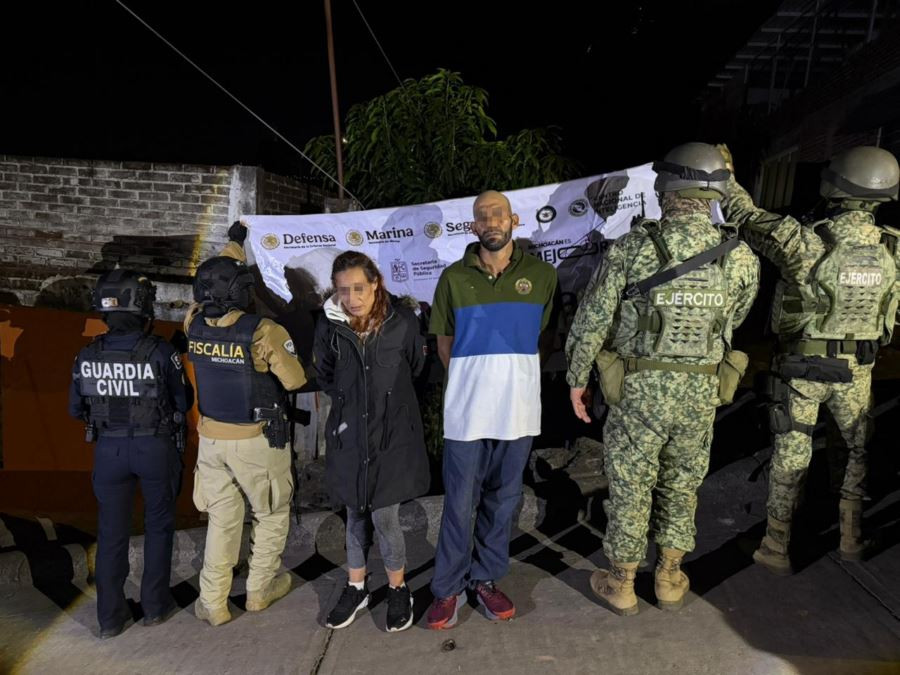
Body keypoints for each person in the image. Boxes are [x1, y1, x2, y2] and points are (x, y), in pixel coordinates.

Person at [566, 142, 759, 615]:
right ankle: (670, 577)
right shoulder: (740, 256)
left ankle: (622, 582)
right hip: (701, 392)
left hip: (638, 391)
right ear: (715, 192)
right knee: (682, 483)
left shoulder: (632, 247)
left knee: (631, 484)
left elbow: (592, 319)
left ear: (666, 188)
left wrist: (577, 377)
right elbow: (734, 319)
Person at [719, 144, 900, 574]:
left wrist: (725, 176)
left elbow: (744, 216)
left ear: (833, 186)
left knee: (792, 448)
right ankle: (851, 537)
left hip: (801, 368)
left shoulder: (801, 240)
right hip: (858, 370)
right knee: (854, 448)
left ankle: (776, 544)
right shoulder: (894, 248)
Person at [426, 190, 557, 629]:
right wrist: (474, 382)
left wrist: (511, 378)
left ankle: (484, 579)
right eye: (482, 216)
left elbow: (543, 338)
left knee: (503, 501)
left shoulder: (542, 276)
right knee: (459, 502)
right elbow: (444, 344)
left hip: (518, 410)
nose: (490, 221)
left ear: (513, 220)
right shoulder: (452, 278)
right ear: (473, 226)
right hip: (466, 412)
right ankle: (447, 588)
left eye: (497, 214)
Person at [186, 222, 307, 625]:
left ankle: (213, 602)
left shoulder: (192, 322)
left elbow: (215, 275)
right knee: (270, 513)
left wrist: (235, 242)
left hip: (211, 440)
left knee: (223, 519)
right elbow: (294, 380)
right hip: (257, 439)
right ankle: (259, 590)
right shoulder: (263, 331)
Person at [314, 251, 429, 632]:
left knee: (384, 516)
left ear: (376, 283)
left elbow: (417, 369)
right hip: (350, 437)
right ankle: (357, 587)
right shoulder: (329, 324)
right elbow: (325, 374)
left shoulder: (402, 321)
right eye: (344, 290)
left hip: (391, 437)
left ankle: (398, 588)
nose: (352, 298)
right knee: (355, 512)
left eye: (359, 288)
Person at [70, 270, 189, 638]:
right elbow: (183, 402)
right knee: (158, 526)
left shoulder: (87, 354)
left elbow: (75, 409)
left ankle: (109, 619)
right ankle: (154, 607)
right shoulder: (161, 351)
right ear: (143, 307)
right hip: (154, 447)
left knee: (110, 534)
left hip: (109, 449)